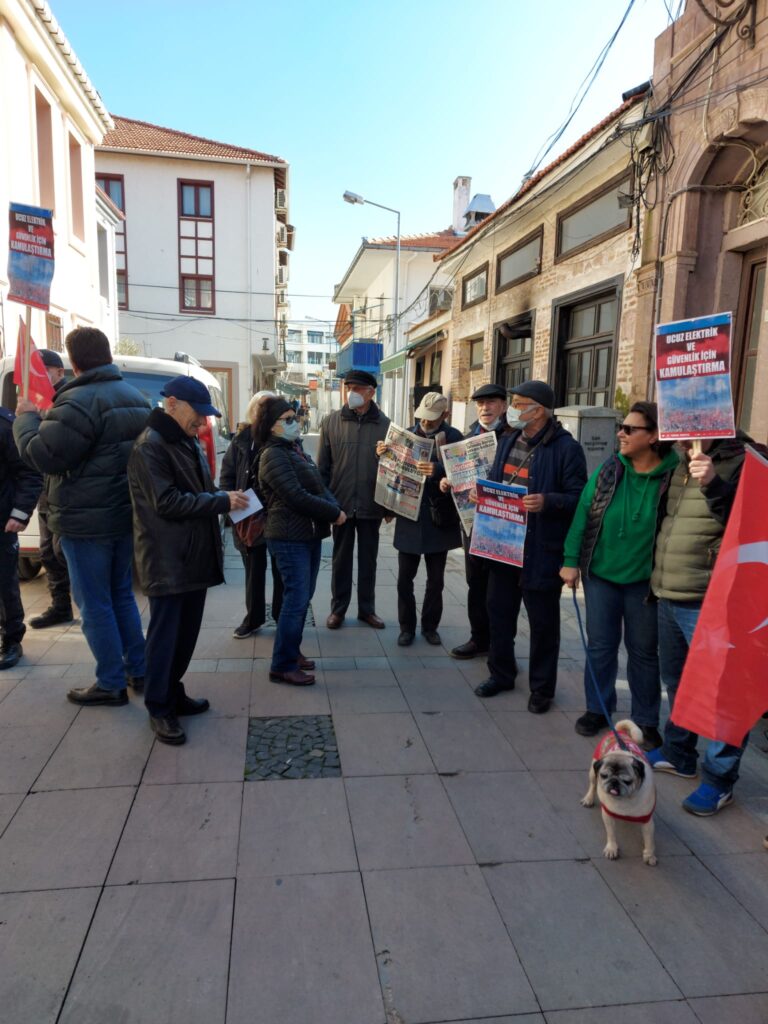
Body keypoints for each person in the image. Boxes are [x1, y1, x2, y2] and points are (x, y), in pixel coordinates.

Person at [14, 327, 149, 706]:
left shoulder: (77, 402)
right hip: (124, 515)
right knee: (121, 596)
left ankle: (110, 682)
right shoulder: (135, 397)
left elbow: (43, 455)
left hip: (86, 522)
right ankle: (139, 670)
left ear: (73, 363)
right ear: (107, 354)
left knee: (94, 604)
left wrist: (26, 419)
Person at [128, 376, 249, 745]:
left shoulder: (186, 439)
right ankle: (159, 706)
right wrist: (220, 501)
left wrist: (225, 497)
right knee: (165, 637)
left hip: (192, 554)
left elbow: (200, 490)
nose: (202, 421)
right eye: (197, 413)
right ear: (172, 404)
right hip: (166, 558)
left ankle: (173, 691)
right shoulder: (150, 446)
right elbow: (166, 502)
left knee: (185, 635)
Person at [646, 433, 754, 815]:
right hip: (669, 592)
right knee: (678, 681)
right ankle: (679, 753)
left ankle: (719, 780)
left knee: (725, 693)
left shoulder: (744, 461)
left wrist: (714, 484)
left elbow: (750, 525)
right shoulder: (678, 460)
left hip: (712, 601)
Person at [560, 402, 678, 745]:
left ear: (653, 436)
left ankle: (646, 720)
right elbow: (584, 514)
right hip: (600, 576)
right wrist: (571, 560)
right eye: (620, 427)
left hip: (645, 582)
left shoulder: (674, 476)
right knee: (601, 646)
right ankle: (597, 709)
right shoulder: (609, 469)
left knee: (643, 652)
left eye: (629, 429)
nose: (621, 434)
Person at [476, 380, 587, 712]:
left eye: (518, 403)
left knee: (543, 624)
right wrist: (483, 495)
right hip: (502, 546)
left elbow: (579, 498)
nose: (511, 409)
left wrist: (548, 501)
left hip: (540, 549)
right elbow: (496, 480)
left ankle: (541, 688)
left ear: (538, 411)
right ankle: (500, 673)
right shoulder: (509, 440)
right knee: (498, 613)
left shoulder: (566, 448)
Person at [258, 397, 345, 685]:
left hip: (308, 534)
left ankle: (291, 652)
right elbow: (296, 496)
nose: (294, 423)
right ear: (271, 425)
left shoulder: (295, 449)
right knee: (295, 601)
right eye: (287, 419)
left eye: (294, 417)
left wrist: (334, 505)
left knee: (302, 597)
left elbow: (318, 486)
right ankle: (282, 665)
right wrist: (333, 513)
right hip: (288, 537)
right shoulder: (273, 455)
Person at [378, 392, 462, 648]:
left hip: (439, 516)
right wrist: (381, 453)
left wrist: (438, 470)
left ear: (445, 415)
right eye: (422, 418)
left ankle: (430, 626)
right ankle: (406, 627)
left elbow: (464, 471)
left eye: (431, 419)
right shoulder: (406, 434)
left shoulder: (454, 436)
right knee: (404, 579)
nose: (425, 423)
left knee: (436, 581)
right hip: (409, 516)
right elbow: (389, 470)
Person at [440, 382, 510, 660]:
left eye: (491, 402)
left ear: (503, 406)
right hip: (472, 523)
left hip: (502, 524)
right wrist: (448, 481)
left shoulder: (512, 437)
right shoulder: (468, 437)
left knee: (500, 589)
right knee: (476, 583)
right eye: (480, 403)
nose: (485, 408)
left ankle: (501, 647)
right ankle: (478, 638)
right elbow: (458, 474)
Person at [318, 369, 390, 631]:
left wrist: (389, 506)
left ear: (371, 393)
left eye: (357, 389)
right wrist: (327, 504)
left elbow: (393, 469)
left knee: (368, 561)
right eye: (348, 388)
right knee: (340, 560)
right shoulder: (331, 422)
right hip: (341, 505)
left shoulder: (386, 425)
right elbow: (322, 469)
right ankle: (338, 609)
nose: (351, 393)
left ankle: (367, 610)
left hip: (372, 504)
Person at [220, 389, 285, 639]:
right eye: (260, 406)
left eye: (269, 406)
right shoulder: (241, 439)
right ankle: (254, 618)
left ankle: (281, 616)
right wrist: (229, 499)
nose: (263, 411)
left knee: (281, 569)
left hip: (277, 513)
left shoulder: (283, 436)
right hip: (248, 513)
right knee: (253, 570)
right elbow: (227, 474)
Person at [28, 349, 73, 630]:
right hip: (44, 489)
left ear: (58, 371)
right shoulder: (35, 400)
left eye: (42, 370)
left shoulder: (66, 399)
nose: (38, 377)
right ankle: (60, 606)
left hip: (65, 491)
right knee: (47, 552)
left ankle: (89, 602)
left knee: (64, 551)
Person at [0, 406, 42, 669]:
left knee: (4, 584)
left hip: (2, 522)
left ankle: (11, 639)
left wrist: (20, 513)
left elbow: (30, 473)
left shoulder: (5, 425)